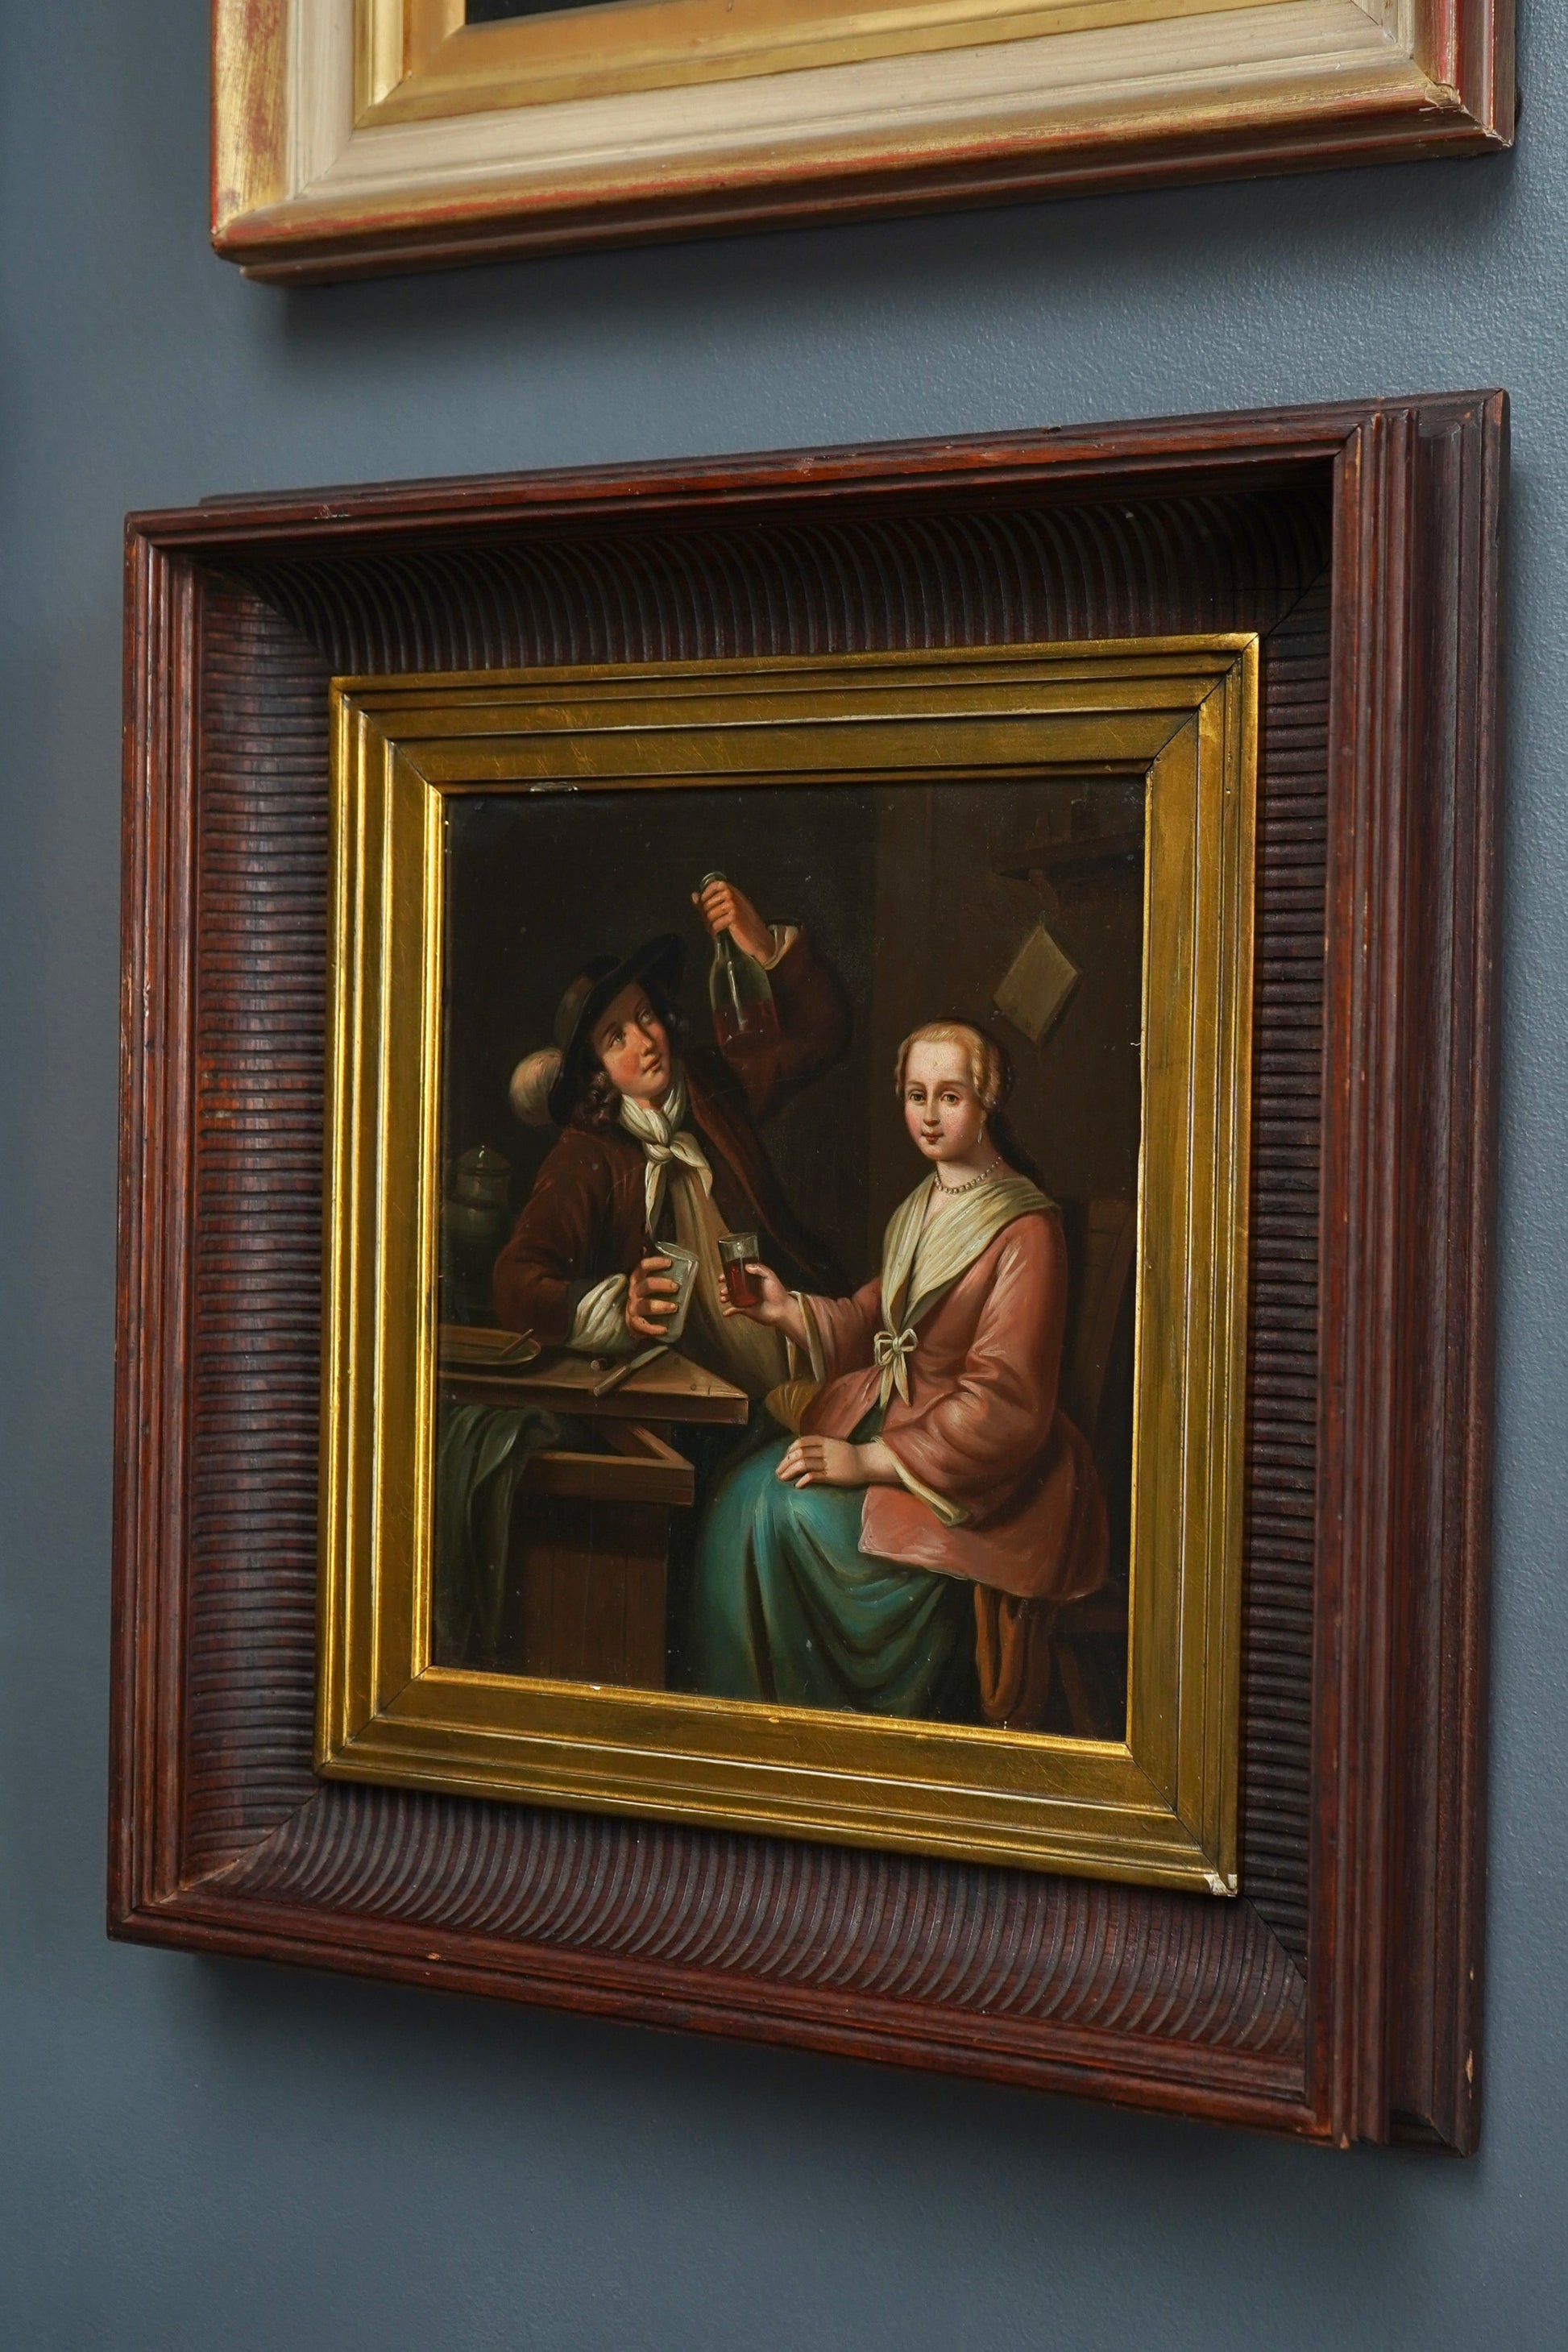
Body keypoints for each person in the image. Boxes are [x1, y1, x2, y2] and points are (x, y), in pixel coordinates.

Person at [691, 1020, 1106, 1724]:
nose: (931, 1115)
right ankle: (746, 1731)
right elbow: (876, 1320)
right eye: (917, 1095)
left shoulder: (1027, 1229)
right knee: (743, 1492)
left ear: (988, 1099)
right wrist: (786, 1310)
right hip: (908, 1436)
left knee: (778, 1508)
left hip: (978, 1479)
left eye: (950, 1096)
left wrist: (866, 1461)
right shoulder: (923, 1204)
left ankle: (824, 1733)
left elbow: (1004, 1403)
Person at [491, 876, 850, 1404]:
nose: (645, 1042)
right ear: (597, 1070)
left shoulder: (708, 1084)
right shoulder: (587, 1153)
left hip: (789, 1357)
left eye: (645, 1016)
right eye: (616, 1037)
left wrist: (765, 949)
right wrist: (621, 1307)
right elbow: (515, 1283)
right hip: (690, 1399)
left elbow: (822, 1034)